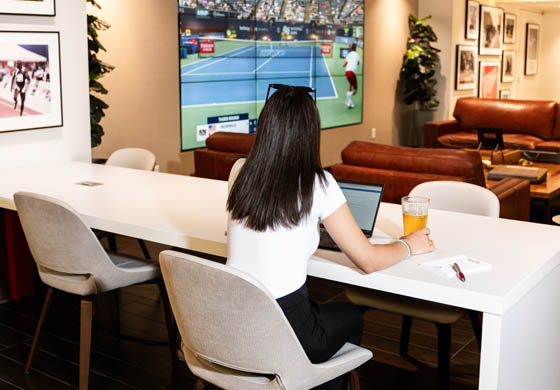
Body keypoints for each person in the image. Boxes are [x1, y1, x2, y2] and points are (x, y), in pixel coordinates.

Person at [226, 86, 434, 389]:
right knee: (352, 317)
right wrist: (408, 244)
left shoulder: (240, 172)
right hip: (287, 329)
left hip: (233, 320)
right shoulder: (318, 183)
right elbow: (369, 261)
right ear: (310, 133)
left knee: (323, 312)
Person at [342, 43, 359, 109]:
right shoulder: (357, 55)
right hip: (352, 72)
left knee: (350, 84)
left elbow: (344, 65)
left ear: (351, 48)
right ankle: (349, 102)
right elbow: (357, 62)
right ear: (356, 48)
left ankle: (349, 101)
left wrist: (344, 63)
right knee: (355, 90)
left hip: (347, 72)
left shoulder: (348, 55)